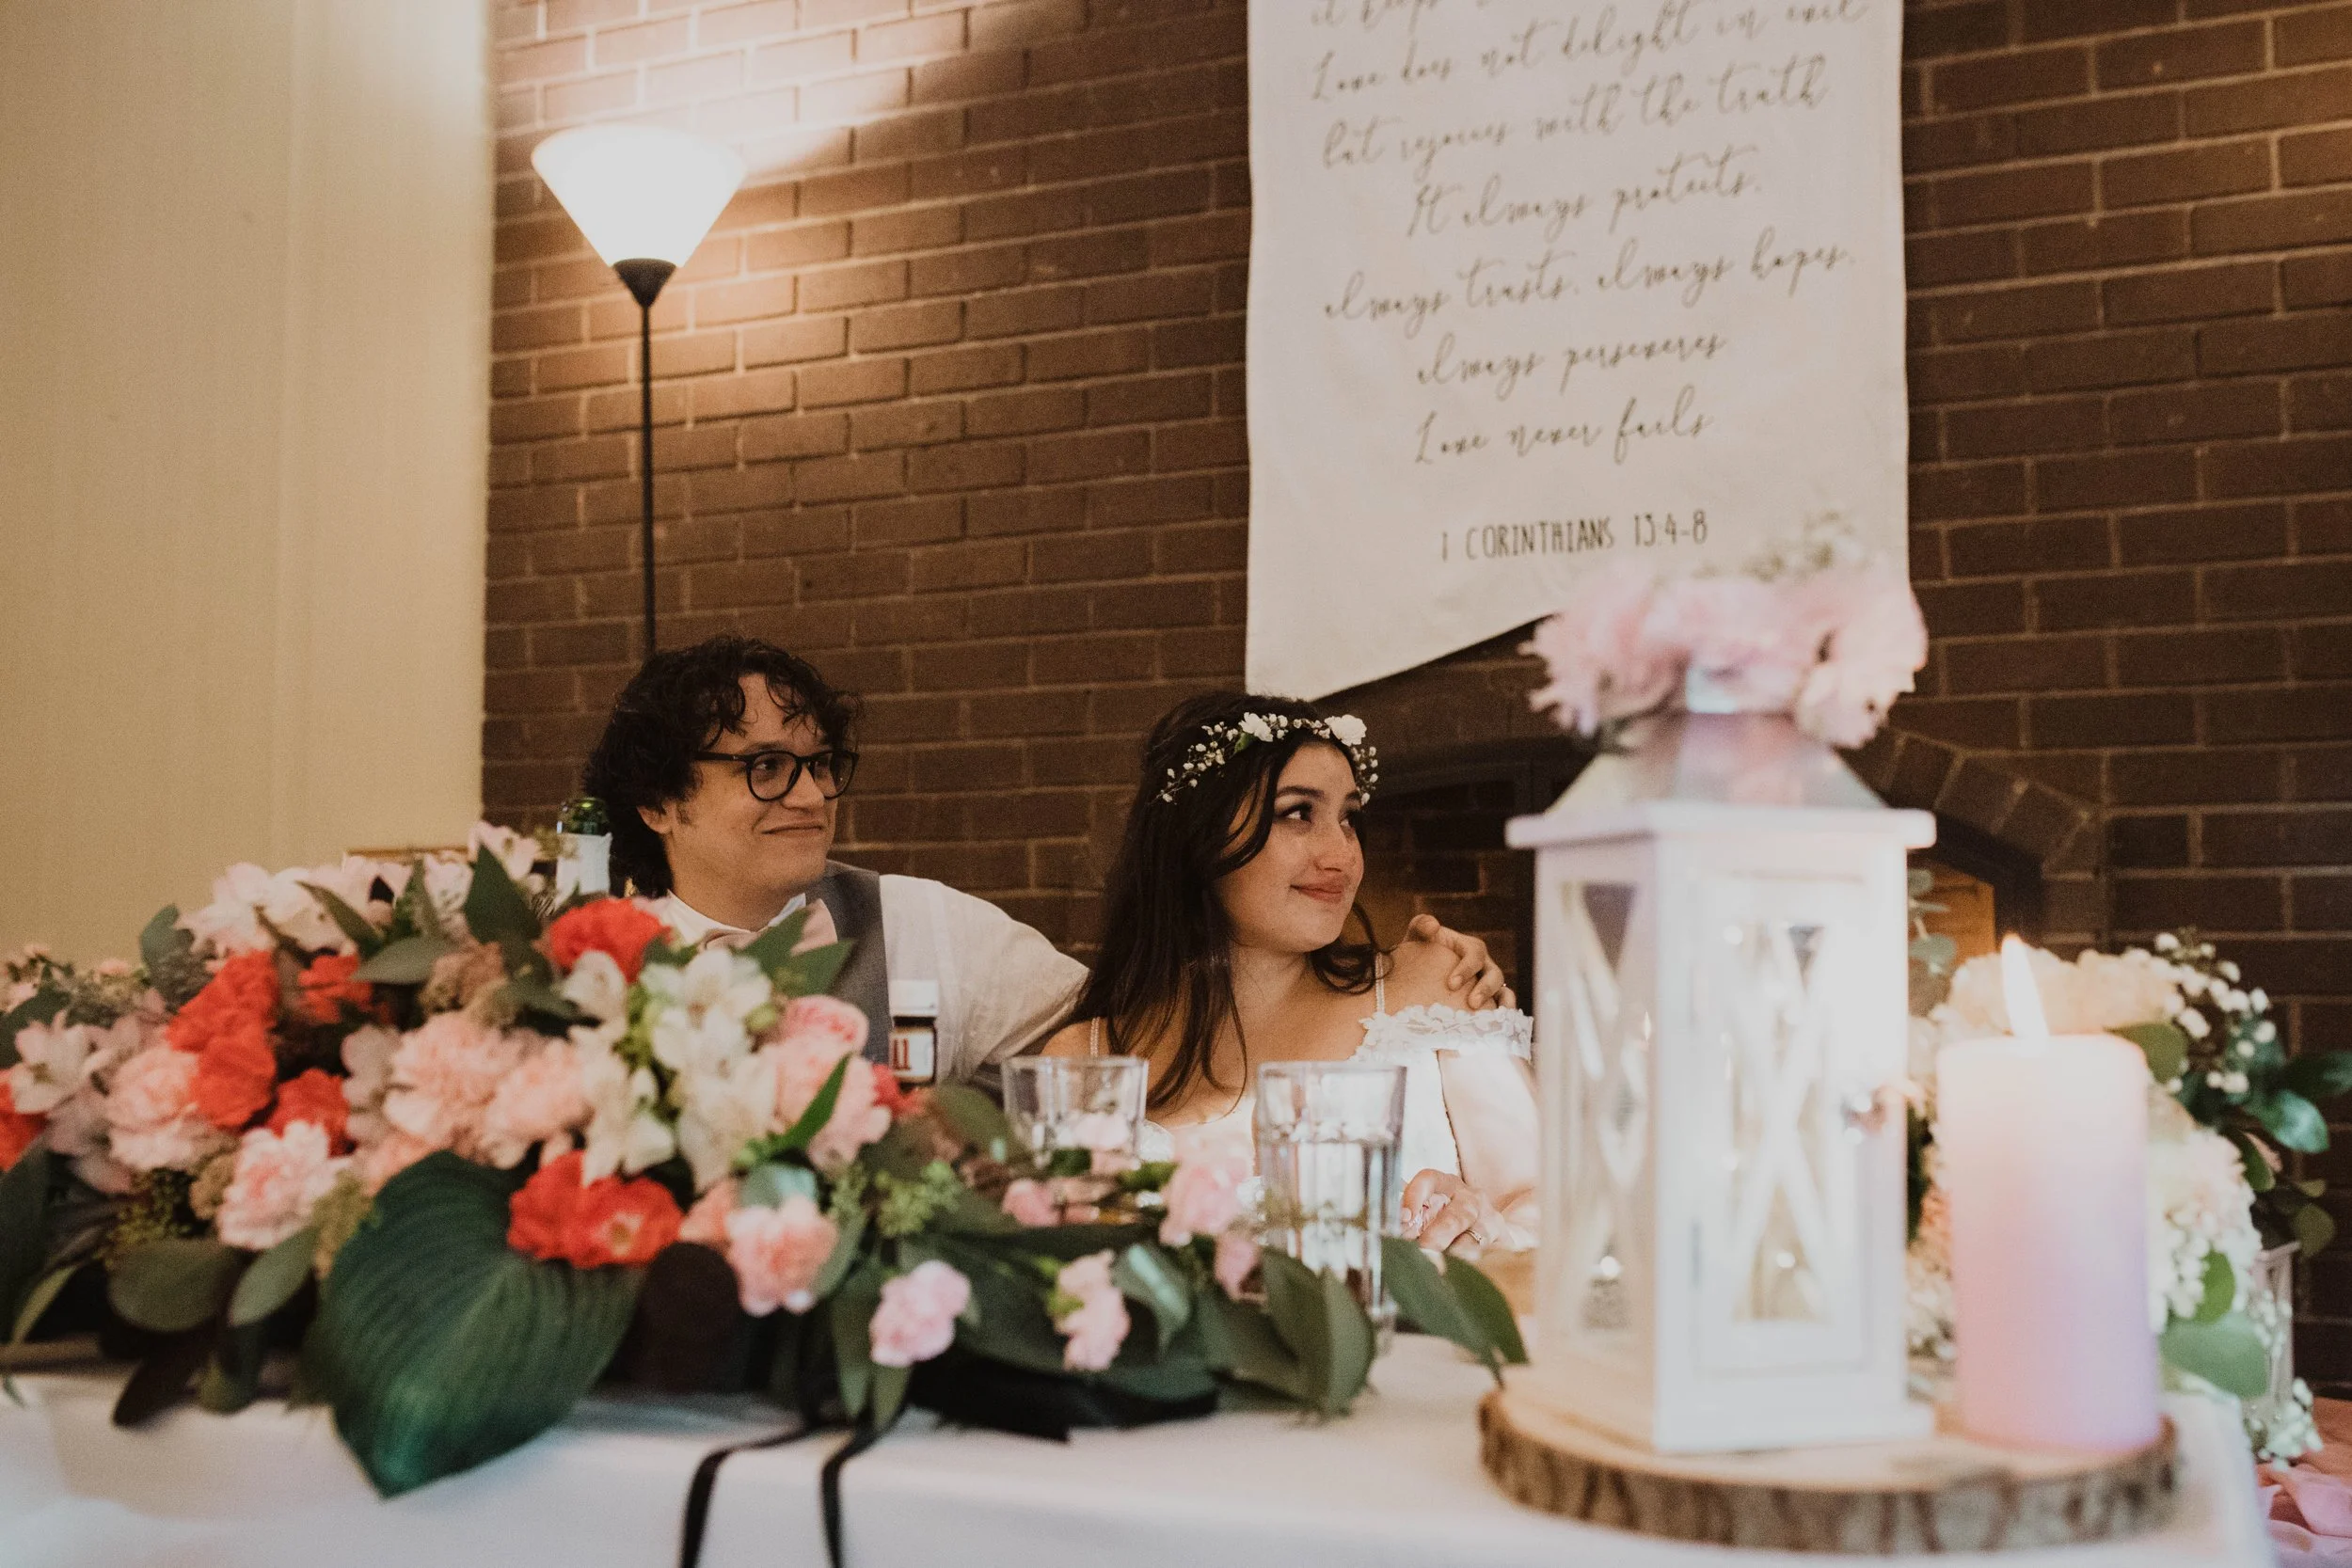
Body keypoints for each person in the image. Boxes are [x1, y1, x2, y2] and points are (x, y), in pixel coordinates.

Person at [578, 637, 1511, 1088]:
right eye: (766, 768)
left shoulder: (927, 926)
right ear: (659, 800)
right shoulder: (578, 967)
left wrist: (1414, 992)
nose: (813, 796)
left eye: (820, 764)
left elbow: (1125, 1036)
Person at [1044, 692, 1540, 1253]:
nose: (1342, 855)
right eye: (1298, 813)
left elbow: (1554, 1207)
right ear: (1198, 839)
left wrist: (1479, 1224)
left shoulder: (1437, 986)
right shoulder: (1078, 1061)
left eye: (1348, 818)